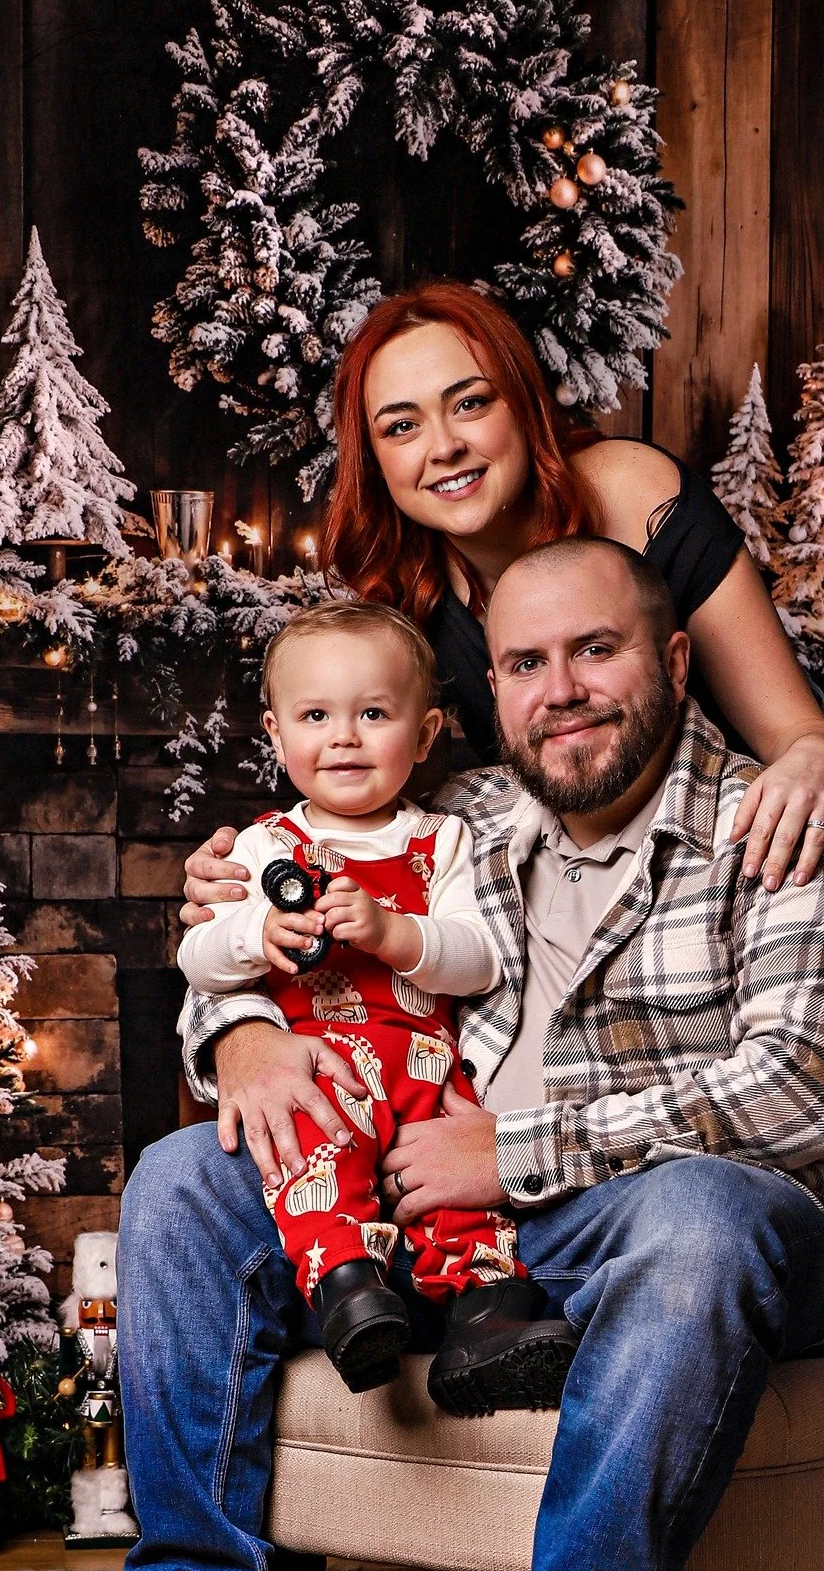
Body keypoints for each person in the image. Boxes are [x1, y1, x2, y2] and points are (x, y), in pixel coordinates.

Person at [17, 537, 824, 1571]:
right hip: (436, 1211)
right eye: (525, 664)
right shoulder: (459, 818)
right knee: (184, 1185)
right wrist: (235, 1026)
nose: (562, 690)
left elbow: (801, 1097)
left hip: (671, 1227)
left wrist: (515, 1155)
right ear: (485, 697)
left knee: (706, 1219)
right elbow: (273, 922)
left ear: (668, 661)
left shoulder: (775, 820)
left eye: (593, 651)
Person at [320, 279, 824, 896]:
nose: (444, 447)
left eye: (469, 403)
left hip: (750, 852)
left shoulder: (633, 496)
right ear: (373, 457)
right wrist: (257, 866)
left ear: (522, 404)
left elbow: (798, 733)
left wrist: (816, 759)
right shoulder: (404, 586)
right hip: (575, 873)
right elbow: (392, 805)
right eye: (401, 427)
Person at [174, 599, 576, 1415]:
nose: (344, 737)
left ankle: (482, 1318)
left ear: (424, 736)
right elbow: (198, 958)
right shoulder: (260, 850)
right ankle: (351, 1295)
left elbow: (477, 957)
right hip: (319, 1065)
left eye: (373, 714)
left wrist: (394, 932)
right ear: (276, 735)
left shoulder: (443, 841)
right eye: (316, 715)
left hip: (427, 1065)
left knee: (459, 1198)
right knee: (313, 1164)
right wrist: (258, 932)